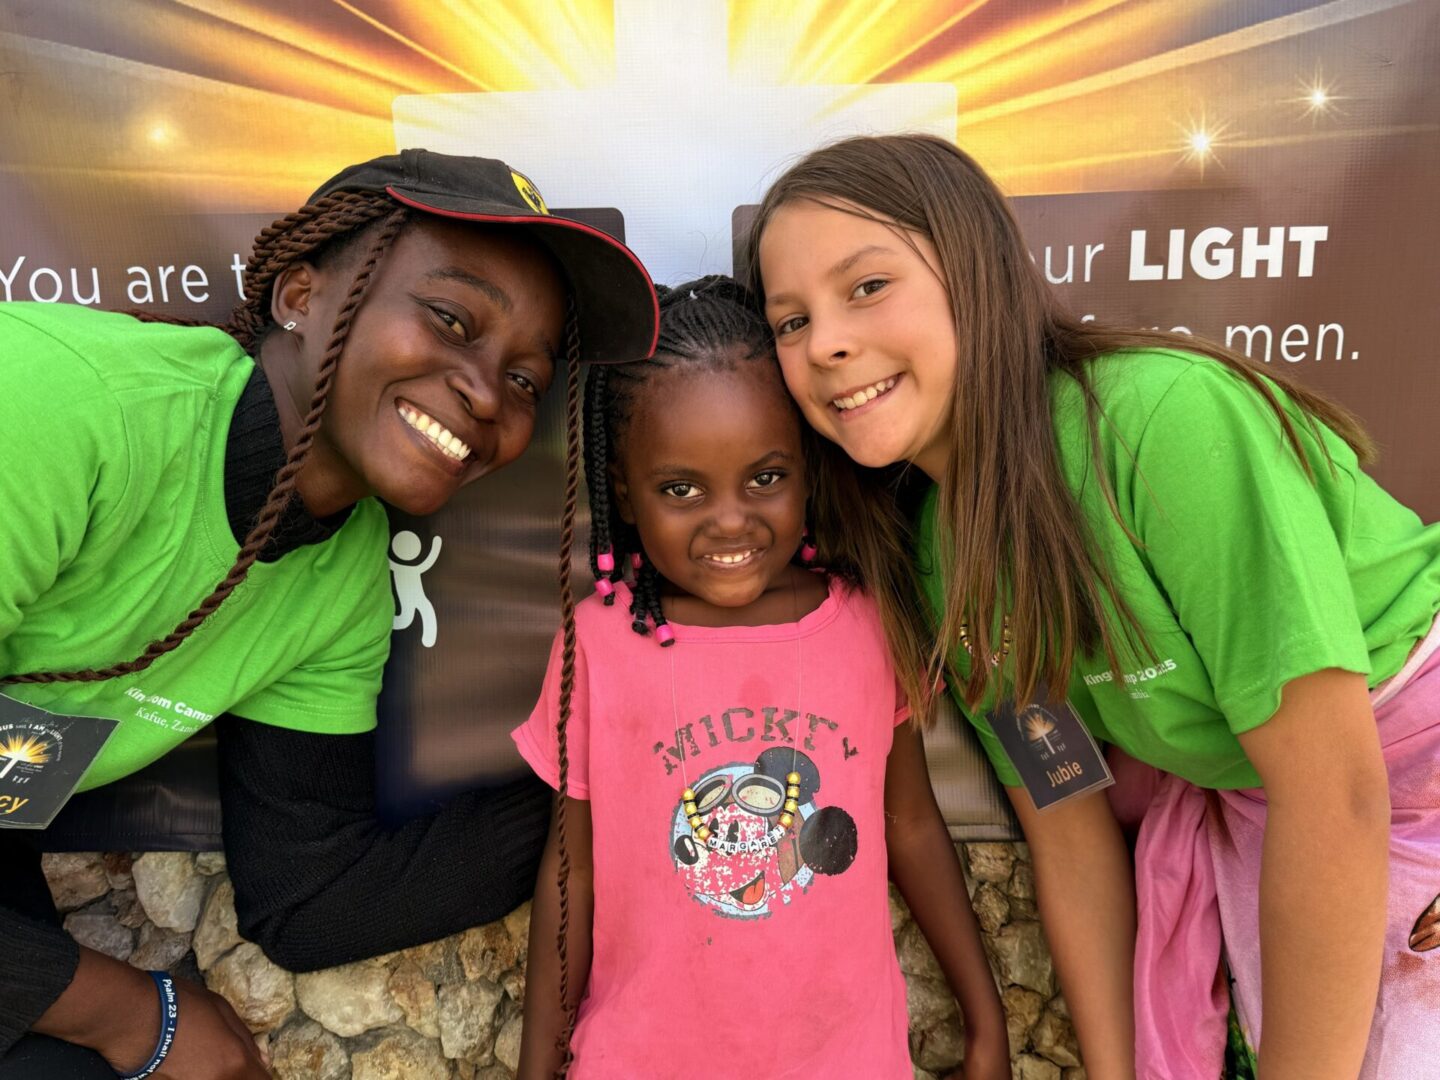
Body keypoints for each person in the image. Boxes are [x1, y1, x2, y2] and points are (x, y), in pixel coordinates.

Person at [747, 133, 1440, 1079]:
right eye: (790, 322)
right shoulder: (944, 560)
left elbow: (1337, 793)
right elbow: (1068, 825)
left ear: (978, 276)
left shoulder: (1158, 425)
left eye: (867, 287)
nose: (824, 341)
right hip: (1286, 812)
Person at [0, 149, 658, 1079]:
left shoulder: (341, 578)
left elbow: (309, 894)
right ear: (300, 295)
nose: (484, 390)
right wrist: (134, 1015)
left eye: (524, 380)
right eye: (450, 319)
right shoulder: (56, 407)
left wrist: (607, 785)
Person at [512, 277, 1010, 1080]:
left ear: (807, 469)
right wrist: (538, 1067)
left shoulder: (869, 624)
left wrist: (985, 1022)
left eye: (765, 478)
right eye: (681, 490)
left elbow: (912, 826)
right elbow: (572, 867)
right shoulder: (598, 645)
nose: (731, 520)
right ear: (624, 495)